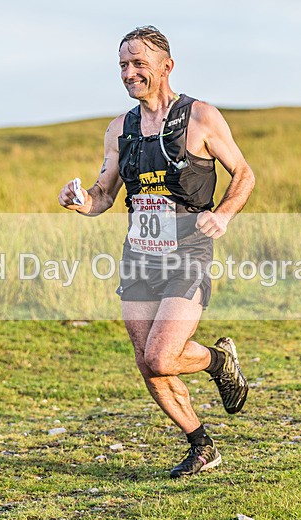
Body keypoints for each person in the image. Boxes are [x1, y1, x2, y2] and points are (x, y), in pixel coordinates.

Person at [58, 25, 255, 478]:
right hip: (139, 254)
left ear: (167, 66)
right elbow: (104, 194)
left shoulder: (201, 117)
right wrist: (81, 201)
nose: (128, 73)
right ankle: (201, 444)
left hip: (188, 248)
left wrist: (223, 213)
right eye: (123, 65)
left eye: (138, 64)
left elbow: (244, 173)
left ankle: (218, 360)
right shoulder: (119, 129)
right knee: (146, 360)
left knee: (163, 355)